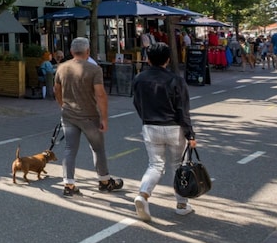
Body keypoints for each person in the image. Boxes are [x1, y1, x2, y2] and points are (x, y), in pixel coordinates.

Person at [130, 42, 198, 221]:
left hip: (150, 125)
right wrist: (190, 133)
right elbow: (183, 108)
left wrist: (145, 118)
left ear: (147, 58)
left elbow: (137, 103)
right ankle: (182, 204)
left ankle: (143, 194)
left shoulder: (139, 78)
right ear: (168, 59)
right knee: (178, 165)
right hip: (174, 126)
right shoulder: (175, 79)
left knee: (155, 164)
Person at [53, 36, 123, 196]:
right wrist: (104, 117)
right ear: (87, 51)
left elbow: (56, 89)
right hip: (90, 115)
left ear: (71, 51)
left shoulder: (62, 67)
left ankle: (68, 184)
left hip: (69, 114)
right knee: (98, 148)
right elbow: (100, 94)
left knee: (70, 148)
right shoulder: (94, 69)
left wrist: (61, 105)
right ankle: (104, 180)